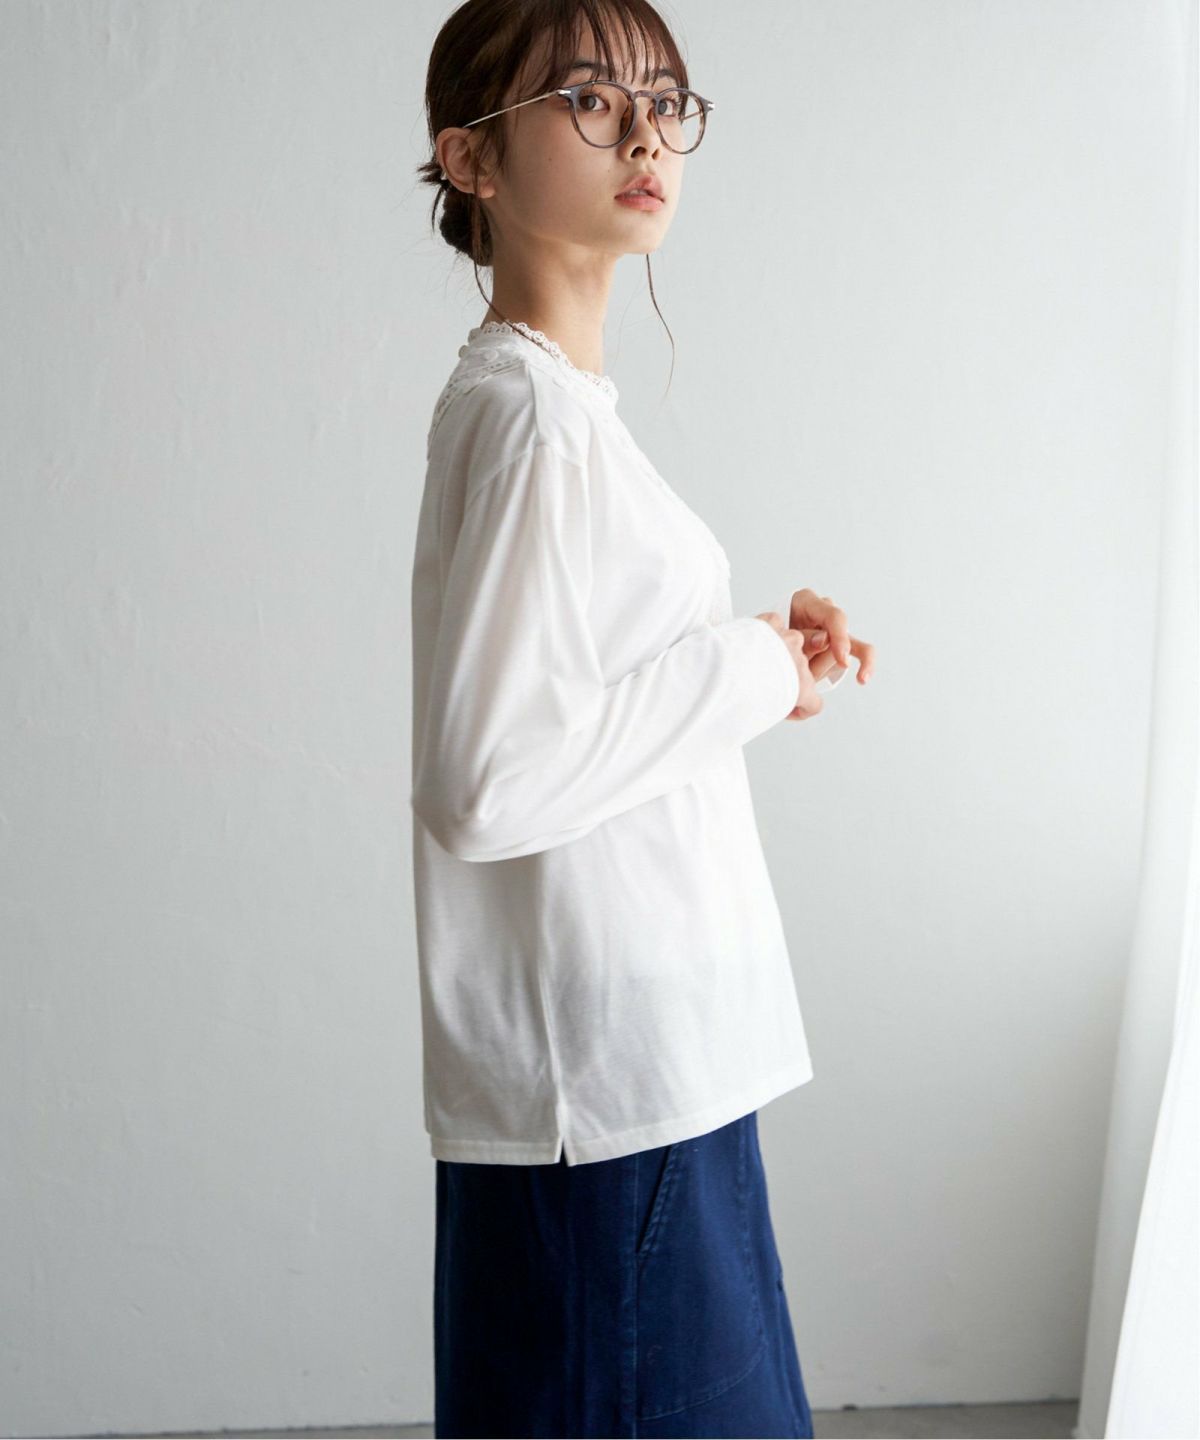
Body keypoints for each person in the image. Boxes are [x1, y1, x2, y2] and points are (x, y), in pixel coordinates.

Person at [411, 2, 875, 1435]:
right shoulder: (532, 417)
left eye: (666, 102)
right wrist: (743, 669)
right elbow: (486, 779)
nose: (646, 135)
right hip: (608, 1106)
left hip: (645, 1082)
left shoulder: (559, 412)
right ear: (471, 160)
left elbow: (583, 715)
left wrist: (762, 665)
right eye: (591, 100)